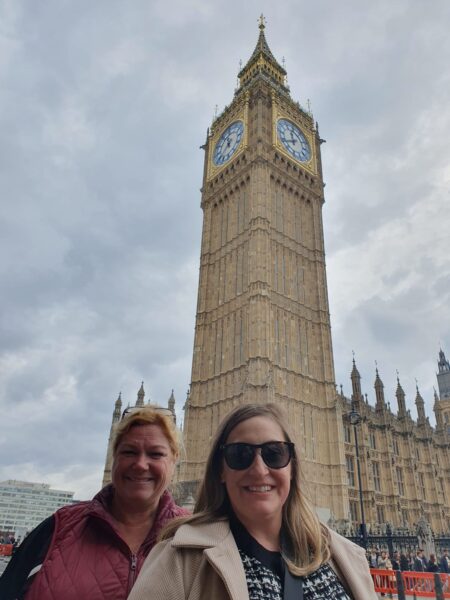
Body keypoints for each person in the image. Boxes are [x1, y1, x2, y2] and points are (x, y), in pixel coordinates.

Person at [129, 403, 378, 600]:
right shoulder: (181, 562)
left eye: (274, 453)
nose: (259, 470)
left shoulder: (341, 556)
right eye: (240, 454)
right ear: (220, 470)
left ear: (292, 466)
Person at [0, 405, 188, 600]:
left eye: (155, 454)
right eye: (129, 452)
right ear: (114, 456)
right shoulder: (57, 529)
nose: (140, 465)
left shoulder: (194, 534)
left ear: (175, 460)